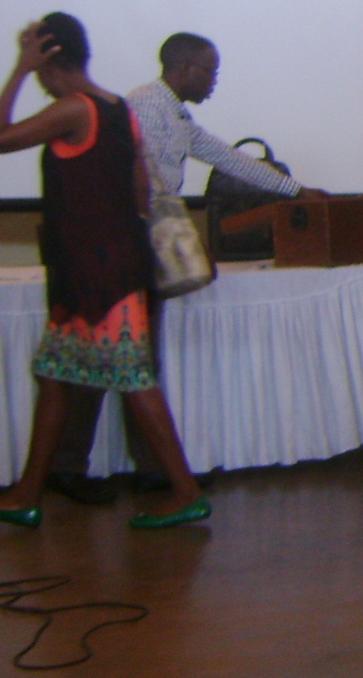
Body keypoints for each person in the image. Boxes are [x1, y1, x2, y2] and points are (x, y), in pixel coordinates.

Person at [47, 31, 325, 505]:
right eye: (210, 70)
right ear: (183, 70)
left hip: (135, 247)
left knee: (133, 359)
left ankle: (147, 467)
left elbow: (226, 156)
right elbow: (144, 190)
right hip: (125, 248)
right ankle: (73, 467)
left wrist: (295, 191)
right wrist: (183, 244)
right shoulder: (144, 107)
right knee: (113, 357)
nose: (215, 80)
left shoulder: (173, 112)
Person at [0, 16, 209, 529]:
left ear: (51, 59)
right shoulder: (120, 110)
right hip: (107, 269)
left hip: (95, 278)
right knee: (53, 376)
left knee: (135, 380)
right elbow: (140, 192)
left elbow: (1, 138)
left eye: (40, 63)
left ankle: (185, 492)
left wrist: (20, 70)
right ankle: (28, 491)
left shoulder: (74, 108)